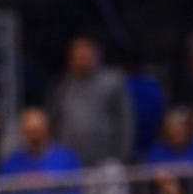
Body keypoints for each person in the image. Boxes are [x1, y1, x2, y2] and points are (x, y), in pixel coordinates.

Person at [48, 36, 134, 167]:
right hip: (70, 163)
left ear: (96, 55)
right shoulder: (63, 85)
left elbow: (125, 121)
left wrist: (122, 157)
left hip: (106, 161)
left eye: (85, 55)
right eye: (77, 56)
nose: (82, 59)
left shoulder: (112, 81)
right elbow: (53, 120)